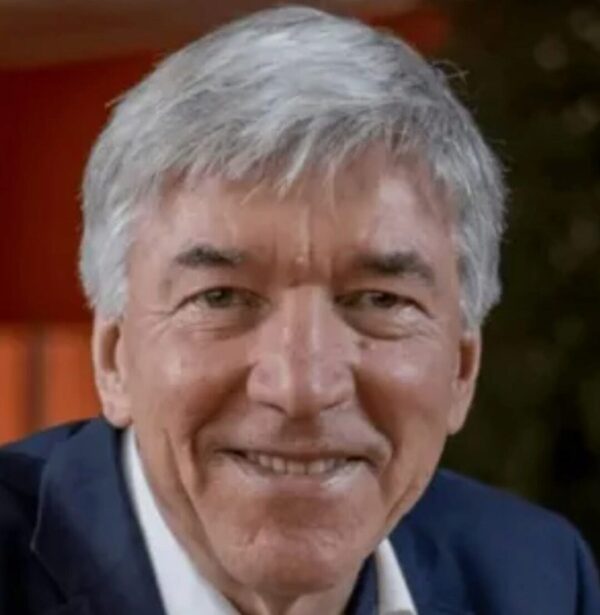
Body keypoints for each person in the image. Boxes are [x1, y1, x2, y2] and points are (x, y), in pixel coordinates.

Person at [0, 6, 598, 615]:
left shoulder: (538, 577)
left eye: (381, 300)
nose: (302, 388)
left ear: (462, 371)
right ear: (115, 360)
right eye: (220, 297)